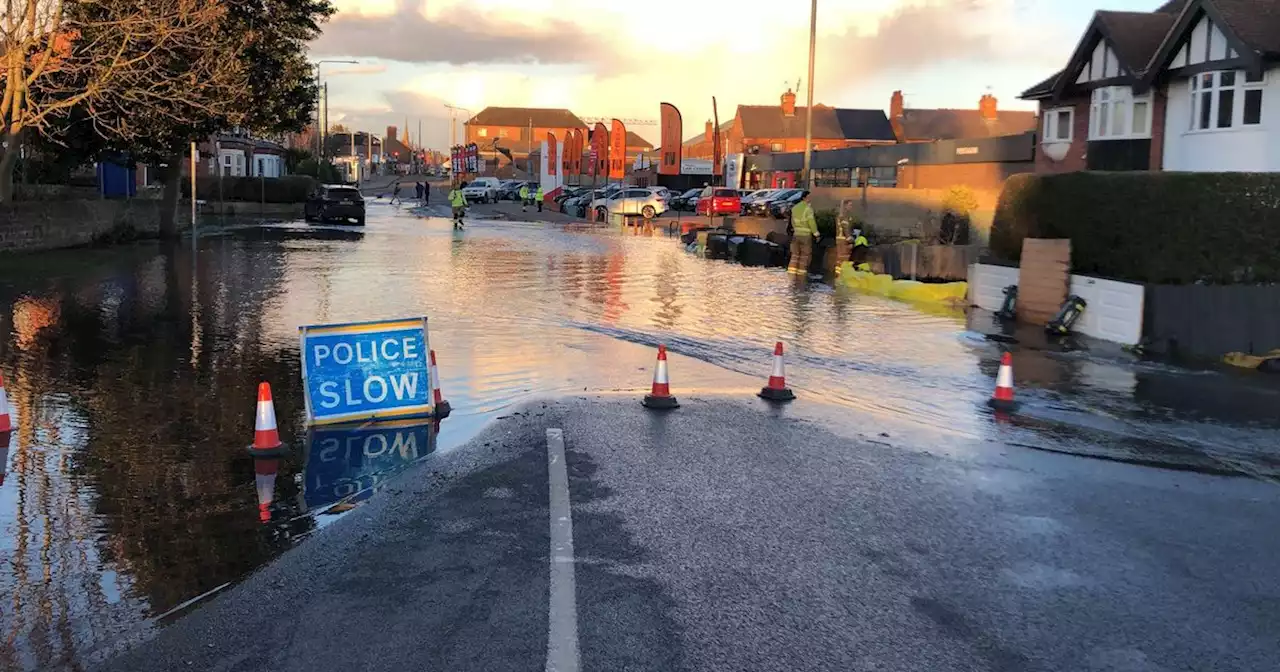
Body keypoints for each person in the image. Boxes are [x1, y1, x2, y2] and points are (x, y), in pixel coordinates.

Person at [787, 191, 817, 277]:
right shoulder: (808, 209)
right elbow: (812, 223)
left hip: (796, 235)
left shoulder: (795, 208)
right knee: (804, 256)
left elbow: (792, 222)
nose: (810, 199)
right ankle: (801, 276)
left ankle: (792, 275)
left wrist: (795, 229)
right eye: (809, 197)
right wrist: (816, 233)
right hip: (805, 236)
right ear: (804, 198)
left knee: (795, 255)